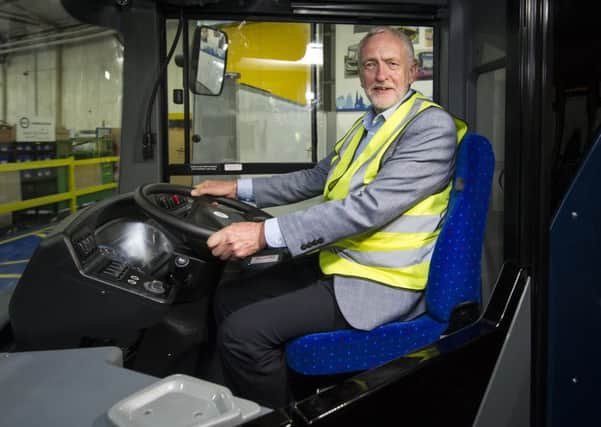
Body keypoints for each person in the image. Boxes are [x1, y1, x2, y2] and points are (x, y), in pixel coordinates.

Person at [191, 26, 467, 408]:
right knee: (228, 299)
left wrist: (264, 234)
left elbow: (367, 208)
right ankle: (224, 407)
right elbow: (315, 178)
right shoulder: (368, 125)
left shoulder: (429, 127)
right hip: (341, 263)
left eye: (391, 64)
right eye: (371, 65)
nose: (380, 75)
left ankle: (276, 417)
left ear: (412, 71)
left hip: (380, 284)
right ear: (361, 72)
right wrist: (237, 188)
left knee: (242, 333)